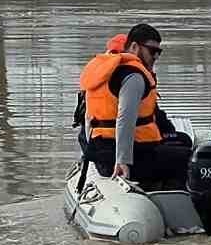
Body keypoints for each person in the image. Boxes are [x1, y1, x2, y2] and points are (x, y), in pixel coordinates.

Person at [75, 23, 191, 184]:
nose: (156, 57)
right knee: (189, 158)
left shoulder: (103, 71)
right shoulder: (134, 76)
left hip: (101, 152)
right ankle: (177, 196)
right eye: (153, 51)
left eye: (159, 52)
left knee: (181, 141)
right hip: (123, 158)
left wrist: (90, 153)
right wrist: (122, 161)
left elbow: (88, 121)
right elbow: (125, 119)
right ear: (135, 47)